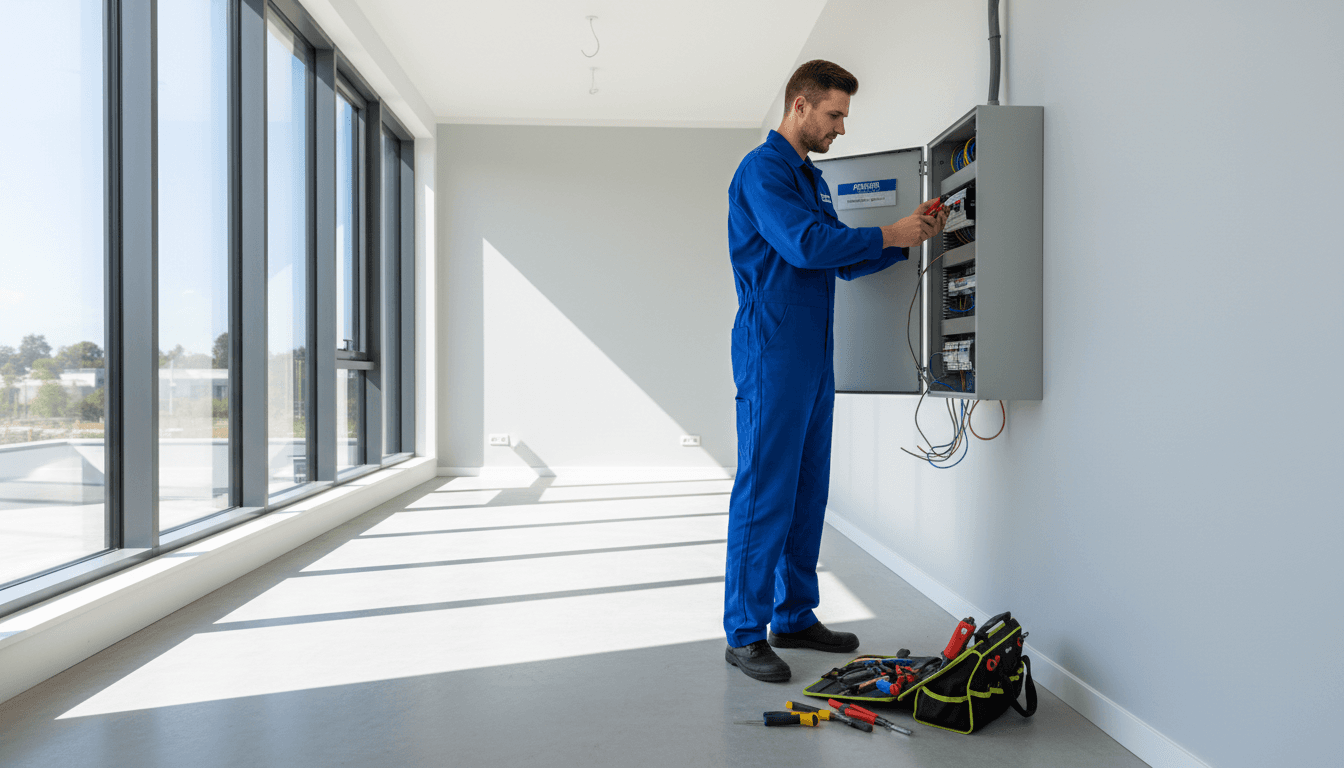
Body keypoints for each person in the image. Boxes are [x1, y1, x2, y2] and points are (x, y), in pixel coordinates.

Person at [723, 60, 947, 682]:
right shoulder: (764, 171)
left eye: (844, 116)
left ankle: (794, 616)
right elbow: (804, 247)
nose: (841, 128)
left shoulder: (811, 180)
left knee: (806, 489)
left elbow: (840, 262)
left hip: (813, 353)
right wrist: (886, 231)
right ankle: (744, 633)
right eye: (834, 115)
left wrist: (907, 240)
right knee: (765, 489)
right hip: (772, 349)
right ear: (799, 106)